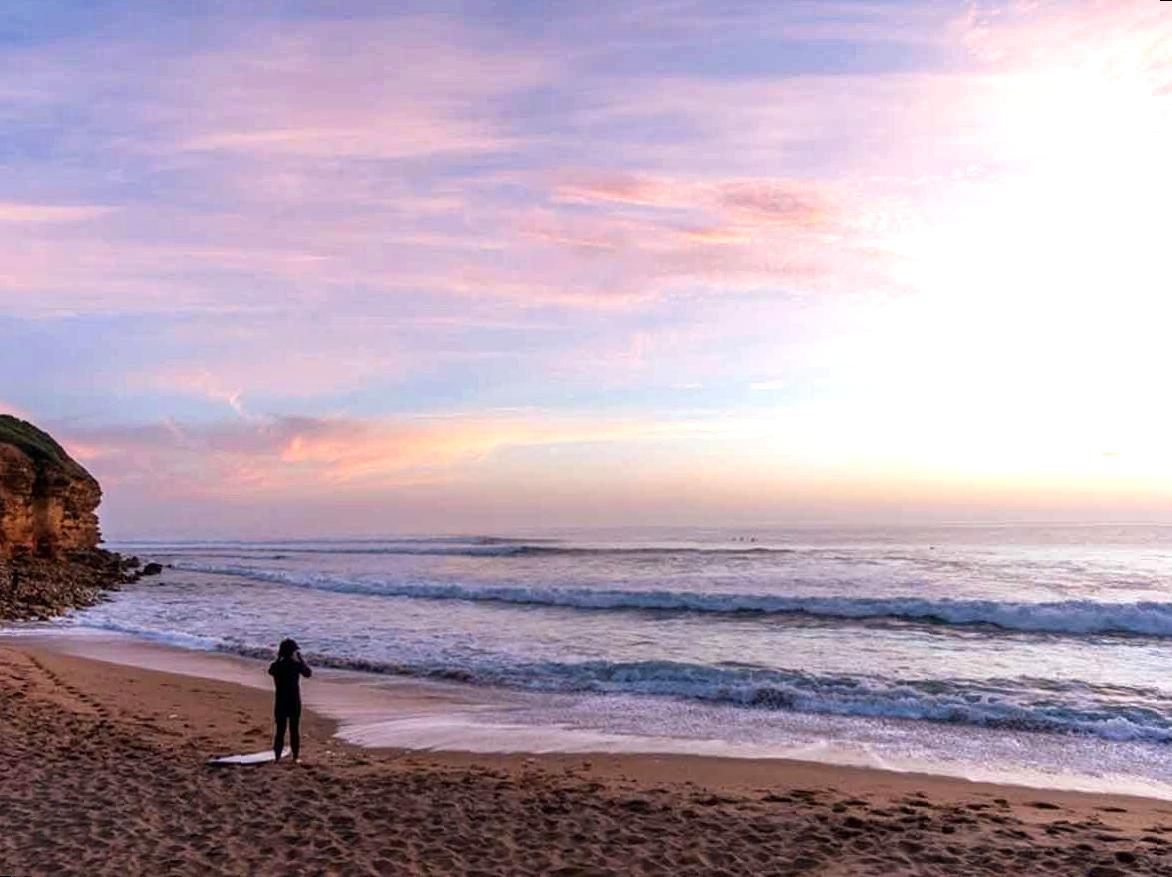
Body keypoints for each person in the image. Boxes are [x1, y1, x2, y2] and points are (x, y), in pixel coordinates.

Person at [268, 638, 311, 763]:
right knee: (294, 729)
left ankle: (277, 757)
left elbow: (271, 670)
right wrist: (301, 659)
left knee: (280, 730)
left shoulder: (276, 666)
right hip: (294, 700)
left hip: (280, 700)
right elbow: (308, 673)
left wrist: (279, 659)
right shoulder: (296, 665)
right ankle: (295, 756)